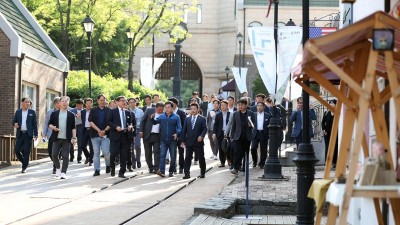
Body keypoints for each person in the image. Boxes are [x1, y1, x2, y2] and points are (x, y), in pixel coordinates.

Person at [48, 96, 76, 179]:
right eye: (62, 101)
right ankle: (57, 168)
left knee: (65, 156)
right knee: (54, 154)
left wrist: (74, 138)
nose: (64, 103)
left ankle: (64, 172)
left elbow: (73, 128)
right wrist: (53, 128)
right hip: (56, 137)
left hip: (67, 138)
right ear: (59, 103)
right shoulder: (54, 114)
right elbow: (49, 124)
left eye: (65, 101)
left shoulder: (71, 115)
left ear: (68, 103)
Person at [107, 96, 135, 178]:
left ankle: (122, 172)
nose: (124, 102)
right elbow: (108, 121)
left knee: (124, 154)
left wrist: (130, 126)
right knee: (113, 153)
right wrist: (116, 127)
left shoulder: (128, 112)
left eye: (125, 101)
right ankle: (112, 168)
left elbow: (130, 123)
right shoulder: (112, 111)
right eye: (122, 101)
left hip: (125, 136)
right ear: (117, 102)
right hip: (115, 136)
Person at [152, 101, 182, 177]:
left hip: (173, 140)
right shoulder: (162, 116)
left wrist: (177, 133)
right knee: (162, 156)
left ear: (172, 108)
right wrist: (152, 118)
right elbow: (155, 122)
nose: (167, 109)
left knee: (173, 156)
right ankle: (162, 171)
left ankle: (171, 171)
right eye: (166, 107)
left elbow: (179, 128)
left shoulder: (176, 117)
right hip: (163, 139)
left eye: (169, 107)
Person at [228, 98, 255, 174]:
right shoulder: (235, 114)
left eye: (242, 105)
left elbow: (253, 125)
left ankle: (244, 167)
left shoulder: (251, 113)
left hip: (247, 136)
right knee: (237, 151)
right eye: (239, 105)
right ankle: (235, 168)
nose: (240, 106)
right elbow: (233, 126)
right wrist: (231, 136)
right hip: (237, 136)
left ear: (246, 105)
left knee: (245, 152)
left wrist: (250, 125)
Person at [181, 103, 207, 179]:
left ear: (198, 110)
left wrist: (201, 136)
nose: (192, 110)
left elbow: (205, 129)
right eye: (191, 109)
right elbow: (184, 130)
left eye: (194, 109)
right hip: (189, 142)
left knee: (201, 158)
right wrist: (182, 140)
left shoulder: (202, 119)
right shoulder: (187, 118)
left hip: (198, 142)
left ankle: (202, 173)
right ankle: (186, 174)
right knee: (188, 158)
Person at [13, 97, 38, 173]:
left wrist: (36, 134)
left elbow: (34, 124)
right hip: (20, 134)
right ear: (22, 103)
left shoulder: (32, 112)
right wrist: (15, 124)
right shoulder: (18, 112)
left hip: (28, 134)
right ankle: (24, 162)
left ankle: (24, 167)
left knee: (26, 151)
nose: (28, 104)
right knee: (17, 150)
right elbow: (14, 121)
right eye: (26, 102)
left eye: (29, 102)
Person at [89, 95, 111, 176]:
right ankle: (97, 170)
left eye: (104, 100)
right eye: (101, 100)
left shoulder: (109, 110)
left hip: (106, 134)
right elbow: (90, 121)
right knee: (96, 153)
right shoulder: (93, 110)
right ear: (97, 101)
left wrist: (104, 131)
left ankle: (108, 165)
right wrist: (99, 130)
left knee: (106, 152)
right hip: (95, 135)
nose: (102, 102)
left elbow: (111, 123)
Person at [140, 102, 162, 174]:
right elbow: (142, 120)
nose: (160, 111)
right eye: (159, 109)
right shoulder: (149, 110)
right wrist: (141, 131)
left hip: (157, 136)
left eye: (161, 110)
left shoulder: (164, 114)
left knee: (157, 152)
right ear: (156, 108)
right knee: (148, 153)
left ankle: (156, 168)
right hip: (147, 134)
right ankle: (150, 167)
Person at [42, 97, 61, 174]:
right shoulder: (49, 112)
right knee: (50, 152)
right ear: (56, 104)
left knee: (56, 152)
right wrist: (44, 133)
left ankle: (55, 167)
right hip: (51, 135)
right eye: (60, 102)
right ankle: (57, 164)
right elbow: (46, 123)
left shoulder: (63, 112)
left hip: (60, 135)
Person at [250, 102, 271, 168]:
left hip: (263, 133)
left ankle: (262, 163)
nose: (259, 107)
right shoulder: (253, 114)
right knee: (253, 148)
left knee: (263, 149)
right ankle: (255, 161)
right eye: (258, 106)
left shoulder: (267, 115)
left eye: (261, 106)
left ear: (264, 107)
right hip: (255, 133)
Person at [169, 97, 187, 174]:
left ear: (175, 104)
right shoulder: (168, 113)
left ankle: (181, 167)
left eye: (170, 104)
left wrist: (183, 137)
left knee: (181, 153)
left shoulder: (182, 113)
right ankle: (173, 167)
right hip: (171, 136)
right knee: (172, 154)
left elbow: (184, 126)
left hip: (180, 137)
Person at [212, 100, 231, 167]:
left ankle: (229, 160)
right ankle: (222, 162)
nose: (223, 107)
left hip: (228, 133)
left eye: (224, 105)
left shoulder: (230, 114)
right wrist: (214, 133)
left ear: (227, 106)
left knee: (228, 147)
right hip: (220, 133)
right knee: (221, 147)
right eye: (222, 105)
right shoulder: (218, 115)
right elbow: (215, 125)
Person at [321, 99, 338, 167]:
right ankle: (327, 161)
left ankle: (334, 162)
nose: (330, 104)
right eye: (330, 103)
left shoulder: (338, 113)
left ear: (336, 104)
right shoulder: (326, 113)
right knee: (327, 147)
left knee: (335, 147)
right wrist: (323, 129)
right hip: (327, 133)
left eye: (332, 103)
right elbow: (323, 122)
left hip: (335, 133)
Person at [128, 97, 144, 170]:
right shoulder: (126, 111)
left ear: (135, 103)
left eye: (133, 102)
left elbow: (143, 121)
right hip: (129, 131)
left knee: (137, 145)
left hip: (137, 129)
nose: (132, 104)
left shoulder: (140, 111)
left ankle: (138, 160)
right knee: (131, 147)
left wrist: (142, 130)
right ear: (128, 103)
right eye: (130, 102)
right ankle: (133, 162)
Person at [79, 98, 94, 165]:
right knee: (82, 145)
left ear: (92, 104)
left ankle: (91, 160)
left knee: (91, 146)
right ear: (85, 104)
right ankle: (88, 156)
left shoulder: (94, 111)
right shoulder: (82, 112)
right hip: (84, 130)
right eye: (87, 103)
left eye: (89, 103)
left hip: (92, 130)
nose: (88, 105)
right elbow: (78, 120)